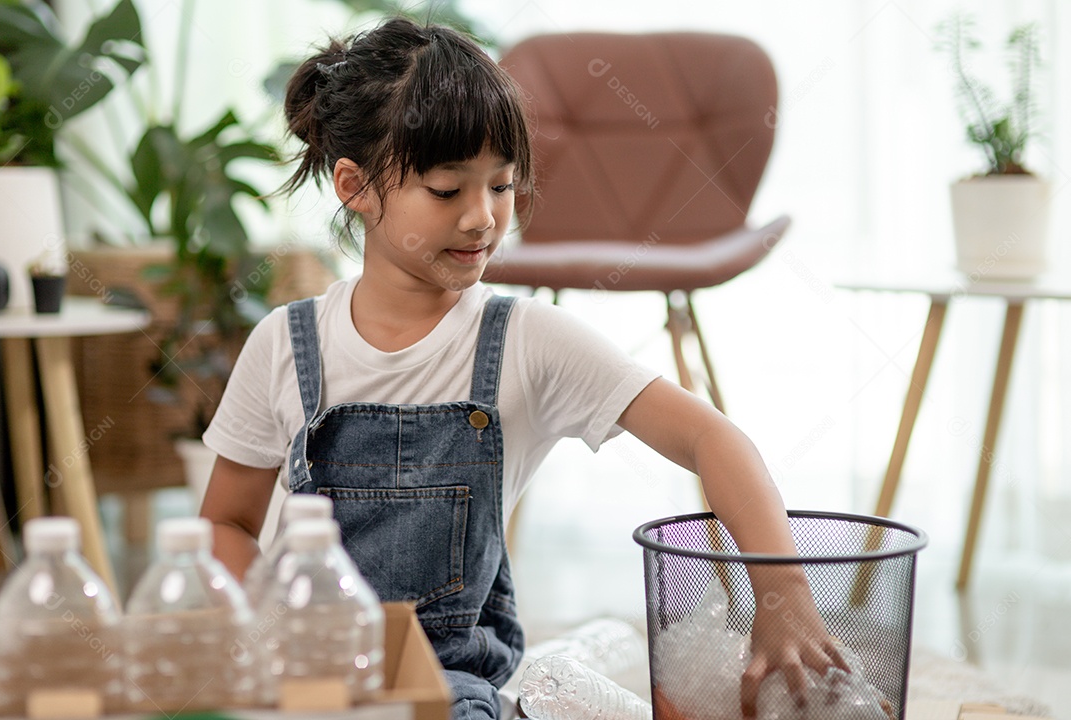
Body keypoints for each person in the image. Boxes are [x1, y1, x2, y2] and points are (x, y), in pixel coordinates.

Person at [200, 16, 845, 720]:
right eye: (448, 191)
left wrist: (783, 597)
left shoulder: (523, 341)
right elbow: (227, 524)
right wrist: (277, 622)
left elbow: (712, 438)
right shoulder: (286, 345)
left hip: (452, 687)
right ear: (355, 187)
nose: (482, 218)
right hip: (309, 674)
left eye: (502, 187)